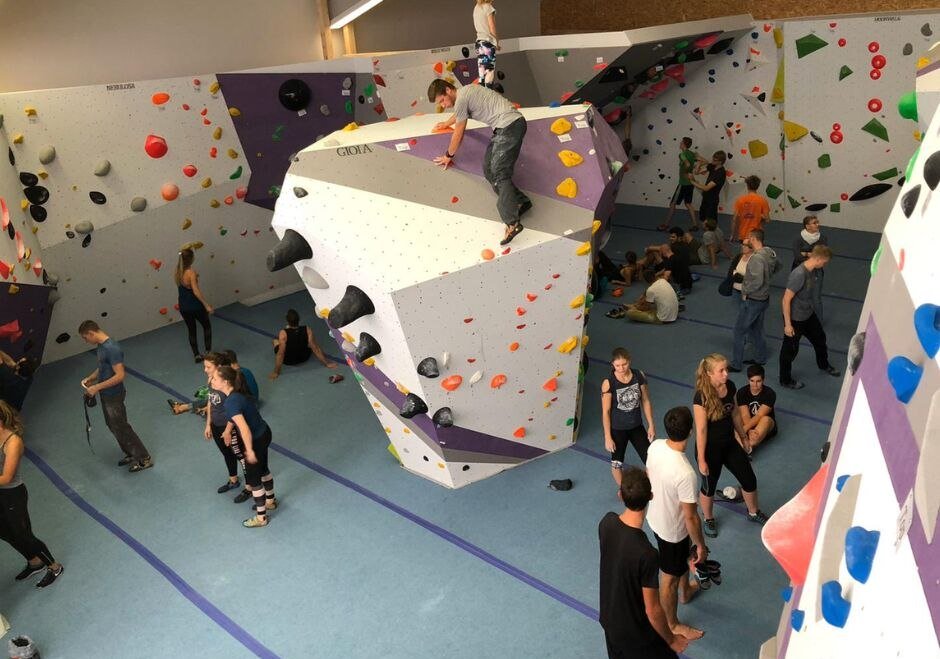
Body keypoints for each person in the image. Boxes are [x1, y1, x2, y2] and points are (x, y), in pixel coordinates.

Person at [598, 466, 691, 659]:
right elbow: (653, 609)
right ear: (651, 496)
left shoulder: (606, 523)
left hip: (609, 621)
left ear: (620, 495)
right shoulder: (647, 554)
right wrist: (672, 640)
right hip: (635, 633)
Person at [429, 79, 531, 245]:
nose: (443, 105)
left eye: (442, 100)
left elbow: (459, 132)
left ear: (448, 90)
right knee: (489, 170)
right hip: (504, 128)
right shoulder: (465, 93)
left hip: (509, 125)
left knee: (499, 173)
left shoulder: (461, 98)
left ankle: (512, 223)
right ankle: (521, 201)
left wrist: (449, 155)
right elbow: (459, 114)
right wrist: (446, 123)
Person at [646, 406, 708, 641]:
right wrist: (700, 545)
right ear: (690, 431)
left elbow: (649, 473)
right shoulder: (685, 474)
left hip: (655, 517)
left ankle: (685, 592)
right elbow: (691, 517)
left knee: (678, 563)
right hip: (673, 531)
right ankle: (671, 624)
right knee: (668, 577)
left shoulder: (656, 446)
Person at [693, 354, 768, 539]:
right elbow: (701, 430)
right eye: (721, 371)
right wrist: (702, 460)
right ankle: (708, 518)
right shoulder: (701, 397)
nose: (726, 373)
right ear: (710, 373)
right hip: (710, 450)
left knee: (749, 479)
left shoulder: (730, 386)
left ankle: (753, 512)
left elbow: (735, 414)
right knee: (709, 487)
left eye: (726, 369)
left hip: (729, 443)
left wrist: (743, 438)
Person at [0, 401, 64, 588]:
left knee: (24, 534)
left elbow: (7, 477)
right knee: (5, 532)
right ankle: (35, 562)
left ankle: (54, 566)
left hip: (12, 494)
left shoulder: (13, 441)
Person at [79, 321, 152, 472]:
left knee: (122, 427)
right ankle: (131, 453)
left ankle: (144, 458)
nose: (86, 341)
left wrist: (97, 387)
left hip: (113, 395)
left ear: (91, 333)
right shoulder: (101, 347)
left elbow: (120, 376)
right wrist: (91, 378)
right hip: (106, 394)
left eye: (85, 338)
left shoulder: (112, 349)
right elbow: (103, 367)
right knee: (113, 426)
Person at [212, 366, 276, 527]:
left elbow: (245, 430)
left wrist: (249, 451)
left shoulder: (231, 402)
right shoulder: (237, 395)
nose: (211, 380)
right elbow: (237, 419)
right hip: (264, 432)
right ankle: (270, 501)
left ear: (225, 382)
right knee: (263, 470)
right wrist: (228, 432)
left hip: (255, 440)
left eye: (214, 378)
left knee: (254, 480)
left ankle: (261, 518)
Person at [780, 245, 841, 389]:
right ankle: (785, 379)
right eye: (824, 262)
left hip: (808, 314)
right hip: (795, 319)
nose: (824, 265)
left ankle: (823, 364)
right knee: (790, 350)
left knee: (820, 338)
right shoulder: (799, 274)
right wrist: (788, 325)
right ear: (818, 259)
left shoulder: (813, 271)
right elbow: (786, 300)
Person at [601, 348, 655, 490]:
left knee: (651, 461)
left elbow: (646, 401)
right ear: (612, 364)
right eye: (617, 366)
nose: (621, 368)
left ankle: (650, 488)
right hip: (618, 430)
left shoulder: (639, 376)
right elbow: (605, 412)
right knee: (616, 463)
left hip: (637, 426)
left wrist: (651, 425)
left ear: (629, 361)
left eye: (624, 364)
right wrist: (608, 436)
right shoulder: (609, 383)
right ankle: (624, 491)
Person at [729, 229, 779, 373]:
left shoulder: (756, 258)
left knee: (739, 331)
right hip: (764, 298)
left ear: (752, 239)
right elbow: (778, 265)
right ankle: (760, 358)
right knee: (757, 329)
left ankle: (736, 364)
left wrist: (745, 291)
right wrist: (768, 276)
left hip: (753, 300)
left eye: (748, 238)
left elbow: (757, 281)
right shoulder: (769, 252)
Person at [270, 309, 337, 380]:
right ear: (298, 319)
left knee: (275, 341)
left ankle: (279, 340)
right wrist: (327, 363)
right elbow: (315, 348)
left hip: (289, 360)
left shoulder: (283, 333)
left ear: (287, 321)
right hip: (304, 356)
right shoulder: (307, 329)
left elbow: (281, 354)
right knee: (308, 342)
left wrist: (276, 372)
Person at [175, 248, 214, 363]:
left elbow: (185, 285)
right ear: (191, 259)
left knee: (191, 330)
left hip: (183, 306)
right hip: (194, 305)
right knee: (206, 326)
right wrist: (207, 305)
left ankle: (196, 355)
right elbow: (196, 291)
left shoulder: (177, 271)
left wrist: (194, 278)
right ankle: (208, 352)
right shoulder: (191, 272)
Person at [660, 137, 701, 231]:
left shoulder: (682, 154)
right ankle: (695, 225)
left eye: (681, 142)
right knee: (688, 203)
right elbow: (704, 161)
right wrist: (696, 168)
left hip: (683, 183)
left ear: (684, 144)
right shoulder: (692, 154)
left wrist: (687, 172)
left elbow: (687, 164)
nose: (680, 143)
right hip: (690, 183)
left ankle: (666, 224)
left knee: (673, 203)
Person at [609, 269, 678, 324]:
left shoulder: (651, 290)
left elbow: (646, 308)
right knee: (650, 301)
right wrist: (640, 301)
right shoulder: (662, 280)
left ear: (645, 281)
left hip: (663, 319)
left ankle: (633, 307)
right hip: (674, 315)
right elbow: (648, 292)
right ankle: (634, 306)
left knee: (630, 313)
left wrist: (636, 307)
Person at [735, 364, 777, 454]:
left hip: (765, 423)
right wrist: (749, 430)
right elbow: (745, 414)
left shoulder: (770, 394)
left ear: (763, 380)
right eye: (752, 381)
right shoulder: (742, 392)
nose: (755, 384)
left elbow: (759, 415)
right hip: (748, 423)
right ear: (748, 380)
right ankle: (745, 448)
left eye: (758, 381)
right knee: (734, 420)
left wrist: (743, 431)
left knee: (765, 419)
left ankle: (744, 447)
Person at [689, 151, 727, 233]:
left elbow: (706, 188)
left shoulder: (721, 173)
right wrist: (699, 162)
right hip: (706, 197)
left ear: (720, 161)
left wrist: (692, 182)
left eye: (715, 159)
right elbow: (697, 172)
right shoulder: (712, 166)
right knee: (703, 218)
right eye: (713, 158)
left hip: (712, 200)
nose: (712, 160)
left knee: (711, 222)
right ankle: (707, 236)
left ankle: (714, 237)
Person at [731, 175, 770, 242]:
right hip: (757, 236)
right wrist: (759, 216)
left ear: (747, 186)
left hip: (743, 235)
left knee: (745, 252)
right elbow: (767, 219)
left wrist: (733, 235)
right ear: (758, 186)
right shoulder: (763, 200)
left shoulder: (740, 200)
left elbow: (735, 220)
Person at [472, 0, 500, 89]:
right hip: (488, 43)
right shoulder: (488, 7)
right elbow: (492, 26)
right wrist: (496, 42)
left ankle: (482, 96)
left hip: (479, 43)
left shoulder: (476, 8)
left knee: (482, 73)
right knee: (489, 73)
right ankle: (488, 96)